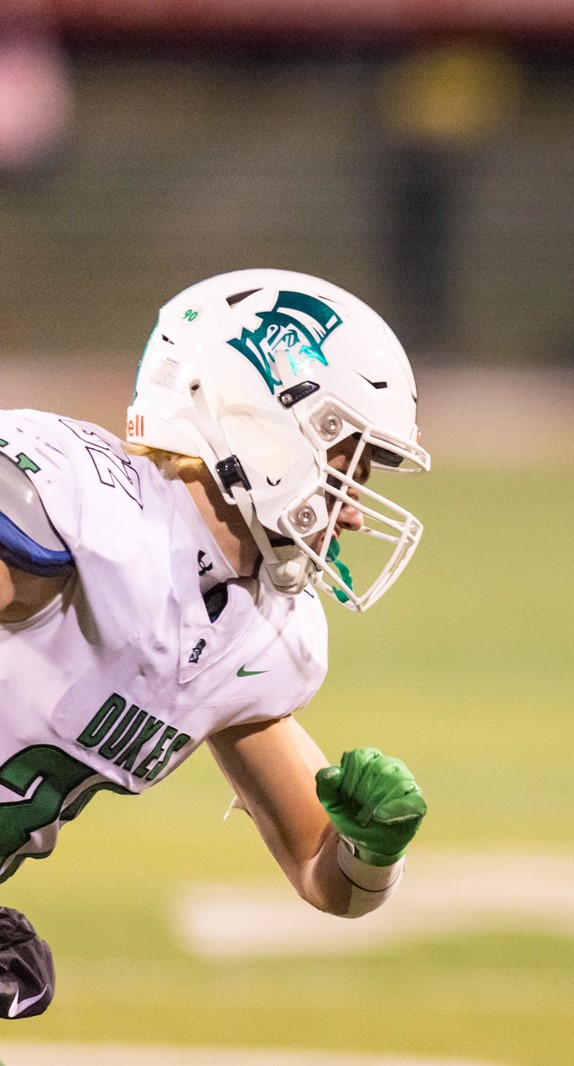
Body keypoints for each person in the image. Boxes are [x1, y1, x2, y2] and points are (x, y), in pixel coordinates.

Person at [0, 269, 433, 1016]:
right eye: (344, 465)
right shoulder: (87, 511)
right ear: (258, 422)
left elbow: (320, 871)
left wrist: (373, 849)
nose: (355, 511)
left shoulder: (263, 635)